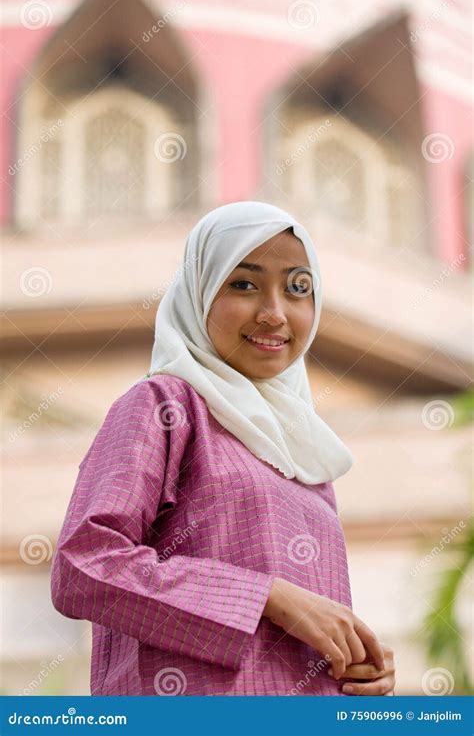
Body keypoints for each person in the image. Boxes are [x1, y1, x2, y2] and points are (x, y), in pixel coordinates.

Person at [50, 201, 395, 696]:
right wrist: (264, 597)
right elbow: (84, 566)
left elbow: (307, 625)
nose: (274, 313)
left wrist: (359, 665)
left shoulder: (304, 449)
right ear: (199, 291)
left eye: (298, 287)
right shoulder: (165, 406)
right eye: (244, 284)